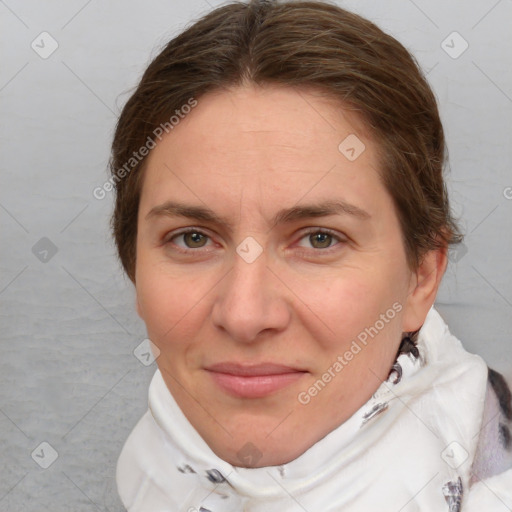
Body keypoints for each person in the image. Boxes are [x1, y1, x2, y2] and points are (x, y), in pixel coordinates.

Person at [110, 1, 512, 510]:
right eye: (193, 238)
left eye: (319, 239)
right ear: (135, 269)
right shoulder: (150, 468)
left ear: (421, 277)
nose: (245, 315)